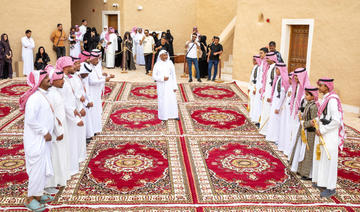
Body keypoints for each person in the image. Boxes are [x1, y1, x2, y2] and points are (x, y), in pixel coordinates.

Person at [19, 70, 55, 211]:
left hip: (43, 140)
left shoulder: (42, 95)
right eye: (46, 78)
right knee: (36, 170)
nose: (49, 79)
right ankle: (30, 198)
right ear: (39, 81)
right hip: (35, 141)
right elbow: (30, 120)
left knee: (42, 169)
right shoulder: (34, 99)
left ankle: (38, 195)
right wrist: (44, 131)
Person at [312, 78, 345, 198]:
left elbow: (336, 120)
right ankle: (322, 182)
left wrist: (323, 130)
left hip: (330, 135)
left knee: (330, 160)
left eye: (320, 86)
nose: (319, 88)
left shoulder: (332, 100)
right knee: (323, 159)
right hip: (323, 133)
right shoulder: (326, 98)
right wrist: (315, 121)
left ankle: (331, 188)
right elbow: (323, 115)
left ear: (327, 87)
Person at [44, 65, 70, 194]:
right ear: (53, 81)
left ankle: (58, 179)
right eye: (60, 79)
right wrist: (57, 131)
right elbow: (51, 116)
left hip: (60, 128)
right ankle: (49, 184)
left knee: (59, 155)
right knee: (52, 156)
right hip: (54, 132)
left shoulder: (56, 92)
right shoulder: (50, 95)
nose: (63, 81)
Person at [57, 56, 84, 175]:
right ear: (66, 67)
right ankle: (68, 170)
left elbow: (71, 98)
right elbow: (64, 102)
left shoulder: (67, 79)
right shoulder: (61, 81)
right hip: (66, 118)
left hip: (72, 113)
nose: (75, 67)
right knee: (68, 144)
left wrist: (77, 109)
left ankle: (72, 167)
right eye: (72, 65)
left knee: (73, 142)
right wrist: (75, 118)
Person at [289, 86, 319, 180]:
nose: (305, 96)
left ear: (313, 96)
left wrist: (304, 123)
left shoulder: (314, 106)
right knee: (301, 150)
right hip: (304, 130)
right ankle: (300, 169)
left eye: (307, 95)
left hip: (310, 132)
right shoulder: (308, 104)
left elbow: (314, 121)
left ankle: (307, 174)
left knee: (308, 152)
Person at [284, 67, 310, 158]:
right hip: (294, 112)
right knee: (291, 131)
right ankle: (289, 151)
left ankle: (294, 155)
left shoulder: (306, 88)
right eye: (294, 76)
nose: (295, 78)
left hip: (300, 115)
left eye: (297, 76)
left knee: (296, 134)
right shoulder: (297, 86)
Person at [89, 49, 113, 134]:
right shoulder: (88, 68)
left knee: (97, 110)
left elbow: (98, 77)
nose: (98, 60)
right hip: (91, 93)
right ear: (91, 59)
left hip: (96, 92)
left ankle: (96, 129)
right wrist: (104, 80)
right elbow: (92, 81)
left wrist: (106, 76)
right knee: (93, 111)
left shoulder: (94, 66)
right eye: (96, 59)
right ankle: (92, 130)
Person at [265, 63, 289, 143]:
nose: (276, 71)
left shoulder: (283, 80)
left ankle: (276, 138)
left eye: (277, 69)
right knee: (273, 119)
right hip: (275, 101)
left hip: (278, 103)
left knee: (277, 120)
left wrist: (278, 107)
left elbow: (282, 94)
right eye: (276, 69)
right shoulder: (278, 78)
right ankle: (271, 136)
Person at [152, 50, 179, 121]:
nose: (165, 57)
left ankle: (174, 115)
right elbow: (154, 76)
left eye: (166, 55)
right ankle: (163, 116)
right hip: (161, 85)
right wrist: (162, 78)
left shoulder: (170, 63)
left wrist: (175, 86)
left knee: (172, 99)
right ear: (160, 56)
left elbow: (174, 75)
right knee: (163, 100)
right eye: (164, 55)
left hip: (170, 84)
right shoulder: (157, 64)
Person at [259, 52, 278, 135]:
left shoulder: (275, 69)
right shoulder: (270, 67)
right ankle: (263, 129)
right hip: (267, 91)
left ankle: (267, 131)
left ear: (272, 59)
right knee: (265, 110)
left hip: (270, 93)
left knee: (268, 111)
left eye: (268, 58)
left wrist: (271, 96)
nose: (266, 60)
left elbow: (274, 84)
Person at [251, 47, 268, 127]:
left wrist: (263, 88)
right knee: (257, 103)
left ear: (266, 54)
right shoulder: (261, 63)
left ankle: (260, 121)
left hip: (263, 87)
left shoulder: (267, 64)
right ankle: (257, 119)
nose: (260, 55)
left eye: (261, 53)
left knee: (261, 104)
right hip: (258, 86)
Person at [277, 72, 294, 153]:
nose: (289, 80)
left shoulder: (295, 89)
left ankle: (287, 149)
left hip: (290, 114)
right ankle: (282, 145)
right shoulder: (290, 87)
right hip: (285, 111)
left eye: (291, 79)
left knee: (288, 130)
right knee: (283, 127)